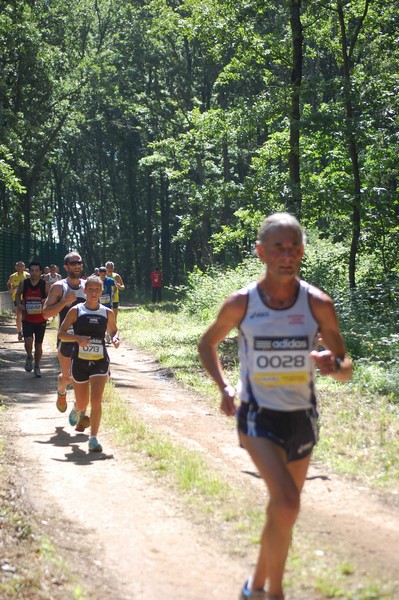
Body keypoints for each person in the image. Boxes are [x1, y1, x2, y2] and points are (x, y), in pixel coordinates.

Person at [197, 213, 353, 600]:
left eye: (293, 247)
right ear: (261, 252)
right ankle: (275, 593)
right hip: (256, 415)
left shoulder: (318, 304)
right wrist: (224, 386)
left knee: (283, 508)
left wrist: (331, 365)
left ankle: (255, 586)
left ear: (302, 252)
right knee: (287, 502)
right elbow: (207, 343)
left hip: (301, 418)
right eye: (278, 247)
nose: (287, 254)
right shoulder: (242, 303)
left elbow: (346, 368)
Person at [58, 275, 120, 453]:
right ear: (84, 290)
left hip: (100, 360)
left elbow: (114, 330)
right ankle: (77, 408)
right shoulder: (76, 311)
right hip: (79, 361)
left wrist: (115, 338)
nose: (93, 293)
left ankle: (93, 438)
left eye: (97, 289)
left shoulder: (107, 312)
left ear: (101, 291)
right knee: (83, 402)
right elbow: (61, 333)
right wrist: (77, 338)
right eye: (90, 289)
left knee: (96, 400)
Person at [42, 252, 88, 429]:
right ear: (66, 266)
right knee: (67, 377)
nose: (77, 265)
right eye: (73, 263)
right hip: (66, 338)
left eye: (80, 262)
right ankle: (61, 392)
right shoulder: (59, 287)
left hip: (84, 339)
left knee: (83, 378)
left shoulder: (87, 286)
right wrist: (64, 302)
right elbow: (46, 313)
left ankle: (78, 410)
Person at [15, 261, 51, 378]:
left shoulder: (45, 285)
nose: (34, 273)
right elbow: (17, 295)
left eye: (36, 271)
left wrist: (45, 302)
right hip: (28, 319)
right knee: (28, 341)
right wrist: (19, 305)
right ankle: (29, 355)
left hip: (41, 319)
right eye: (32, 270)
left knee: (38, 345)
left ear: (40, 272)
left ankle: (37, 366)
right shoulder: (24, 284)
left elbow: (51, 299)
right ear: (29, 272)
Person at [7, 261, 30, 341]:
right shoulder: (12, 276)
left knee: (26, 314)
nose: (20, 267)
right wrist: (10, 289)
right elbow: (9, 283)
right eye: (18, 266)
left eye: (21, 266)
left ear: (24, 267)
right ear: (15, 267)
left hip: (26, 297)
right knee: (19, 314)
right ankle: (19, 332)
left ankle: (26, 331)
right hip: (16, 298)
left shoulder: (27, 276)